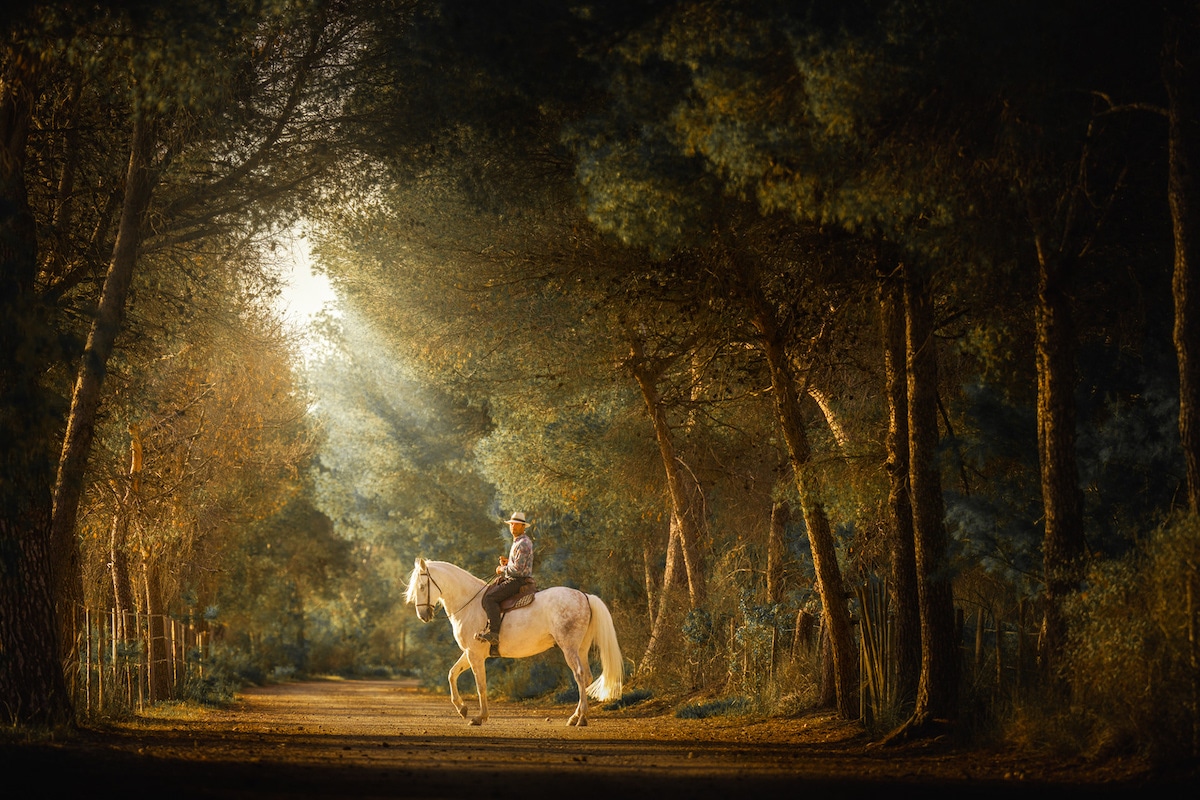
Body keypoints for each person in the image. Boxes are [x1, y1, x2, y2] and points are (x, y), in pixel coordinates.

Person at [475, 512, 533, 645]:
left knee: (489, 598)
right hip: (516, 578)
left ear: (523, 527)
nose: (513, 527)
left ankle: (494, 633)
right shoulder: (519, 542)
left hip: (517, 581)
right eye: (511, 524)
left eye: (516, 524)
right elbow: (518, 565)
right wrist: (508, 564)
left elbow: (518, 571)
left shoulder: (523, 543)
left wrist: (501, 569)